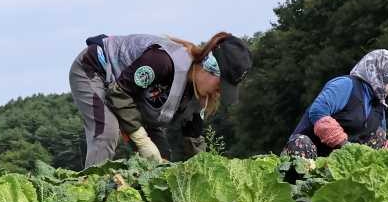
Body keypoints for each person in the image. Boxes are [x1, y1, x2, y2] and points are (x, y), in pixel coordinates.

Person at [68, 32, 252, 167]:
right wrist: (141, 140)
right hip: (95, 69)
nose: (217, 93)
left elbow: (193, 139)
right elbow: (119, 94)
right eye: (220, 86)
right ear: (208, 66)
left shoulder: (197, 94)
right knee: (107, 133)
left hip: (130, 94)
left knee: (162, 158)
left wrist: (208, 171)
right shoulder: (164, 61)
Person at [282, 49, 388, 159]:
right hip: (309, 155)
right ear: (380, 72)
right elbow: (318, 112)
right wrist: (345, 145)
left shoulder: (379, 107)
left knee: (378, 137)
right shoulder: (346, 85)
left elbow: (380, 144)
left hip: (339, 163)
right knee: (301, 143)